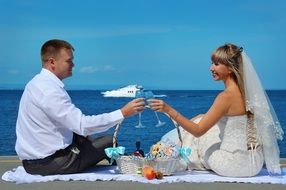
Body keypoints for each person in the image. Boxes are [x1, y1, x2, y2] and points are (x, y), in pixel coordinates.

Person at [149, 43, 284, 177]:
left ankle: (174, 158)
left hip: (232, 165)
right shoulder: (249, 93)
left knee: (198, 138)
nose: (211, 68)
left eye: (216, 64)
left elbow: (198, 131)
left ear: (230, 68)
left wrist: (168, 110)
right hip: (255, 164)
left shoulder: (225, 97)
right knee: (205, 123)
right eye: (212, 63)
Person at [15, 39, 145, 176]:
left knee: (85, 137)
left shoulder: (35, 84)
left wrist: (81, 135)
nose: (73, 64)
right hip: (51, 163)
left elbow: (63, 122)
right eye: (68, 61)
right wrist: (123, 113)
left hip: (32, 163)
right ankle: (126, 167)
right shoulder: (50, 90)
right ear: (52, 62)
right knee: (107, 142)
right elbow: (82, 125)